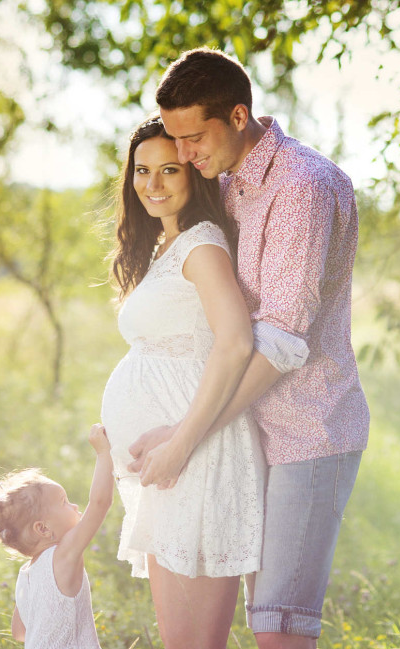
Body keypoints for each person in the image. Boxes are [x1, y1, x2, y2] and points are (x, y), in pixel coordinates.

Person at [129, 47, 371, 648]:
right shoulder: (231, 181)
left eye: (193, 137)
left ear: (239, 116)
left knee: (279, 631)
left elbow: (282, 341)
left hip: (305, 434)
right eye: (175, 140)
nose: (183, 154)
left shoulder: (302, 187)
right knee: (255, 621)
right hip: (246, 436)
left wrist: (189, 433)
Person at [99, 116, 267, 649]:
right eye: (142, 171)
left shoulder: (201, 245)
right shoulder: (165, 248)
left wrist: (177, 442)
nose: (153, 183)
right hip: (172, 463)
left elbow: (237, 340)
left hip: (196, 457)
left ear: (194, 172)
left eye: (169, 169)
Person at [0, 424, 113, 649]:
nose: (75, 506)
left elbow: (20, 632)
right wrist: (103, 453)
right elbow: (100, 504)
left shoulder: (26, 576)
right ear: (43, 529)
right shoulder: (62, 556)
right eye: (64, 502)